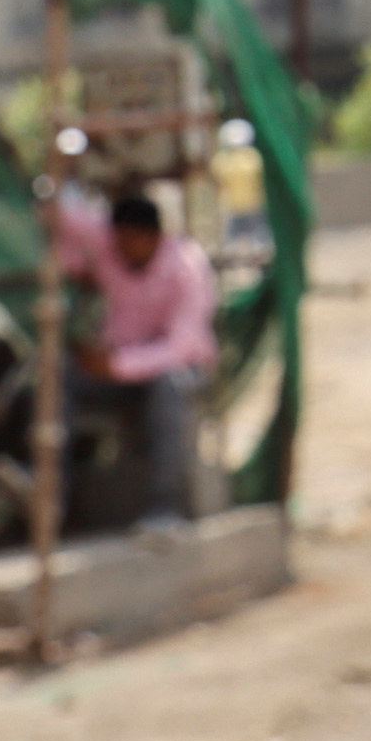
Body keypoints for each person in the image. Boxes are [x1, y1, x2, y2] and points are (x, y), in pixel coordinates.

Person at [52, 182, 219, 530]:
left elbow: (183, 347)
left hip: (177, 372)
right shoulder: (109, 250)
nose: (123, 248)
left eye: (132, 240)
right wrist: (57, 179)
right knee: (57, 377)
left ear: (154, 236)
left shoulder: (187, 266)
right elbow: (65, 216)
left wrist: (117, 365)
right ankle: (53, 495)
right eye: (118, 239)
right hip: (119, 372)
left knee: (169, 387)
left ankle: (165, 506)